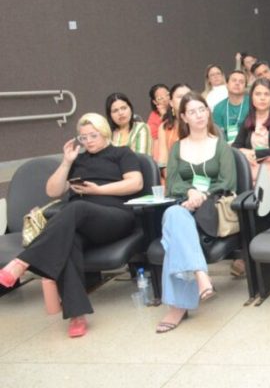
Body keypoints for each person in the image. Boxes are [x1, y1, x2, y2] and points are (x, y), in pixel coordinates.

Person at [0, 114, 143, 338]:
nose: (88, 141)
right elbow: (53, 191)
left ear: (104, 132)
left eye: (93, 136)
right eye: (83, 137)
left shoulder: (122, 153)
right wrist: (66, 162)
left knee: (75, 208)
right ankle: (77, 314)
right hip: (81, 222)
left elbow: (136, 183)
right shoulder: (78, 160)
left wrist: (98, 191)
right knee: (69, 242)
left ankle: (23, 261)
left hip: (115, 217)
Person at [157, 93, 236, 333]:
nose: (199, 115)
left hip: (211, 209)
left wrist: (201, 196)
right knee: (175, 215)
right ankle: (201, 275)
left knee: (173, 223)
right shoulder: (178, 147)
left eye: (202, 109)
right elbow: (171, 183)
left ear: (208, 112)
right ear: (183, 117)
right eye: (192, 111)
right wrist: (190, 192)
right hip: (185, 206)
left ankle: (178, 307)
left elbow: (227, 181)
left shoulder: (220, 145)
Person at [154, 84, 192, 168]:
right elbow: (163, 161)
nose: (185, 99)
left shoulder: (201, 122)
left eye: (188, 95)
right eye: (180, 97)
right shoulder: (164, 127)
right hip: (172, 175)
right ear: (171, 103)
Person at [212, 71, 250, 143]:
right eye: (234, 80)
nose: (237, 83)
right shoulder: (218, 108)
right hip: (226, 147)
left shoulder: (252, 104)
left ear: (245, 87)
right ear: (226, 84)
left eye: (241, 82)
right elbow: (217, 135)